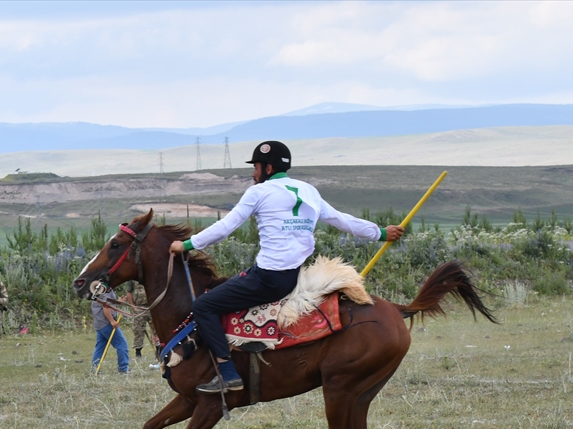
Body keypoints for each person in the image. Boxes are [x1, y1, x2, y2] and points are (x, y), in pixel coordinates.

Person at [169, 140, 404, 393]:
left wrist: (187, 245)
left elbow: (226, 227)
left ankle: (228, 373)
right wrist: (379, 232)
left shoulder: (258, 192)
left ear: (268, 168)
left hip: (267, 278)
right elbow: (340, 219)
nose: (253, 172)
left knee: (204, 305)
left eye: (256, 166)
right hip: (293, 275)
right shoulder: (308, 190)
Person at [91, 286, 130, 374]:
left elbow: (108, 304)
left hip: (99, 323)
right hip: (106, 323)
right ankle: (123, 369)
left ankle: (95, 369)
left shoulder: (102, 289)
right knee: (122, 344)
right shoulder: (105, 291)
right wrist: (112, 321)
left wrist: (118, 302)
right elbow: (106, 307)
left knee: (100, 347)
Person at [124, 280, 154, 359]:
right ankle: (138, 353)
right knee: (138, 330)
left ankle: (158, 350)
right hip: (139, 307)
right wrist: (132, 306)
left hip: (152, 306)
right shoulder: (131, 278)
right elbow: (129, 292)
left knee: (156, 330)